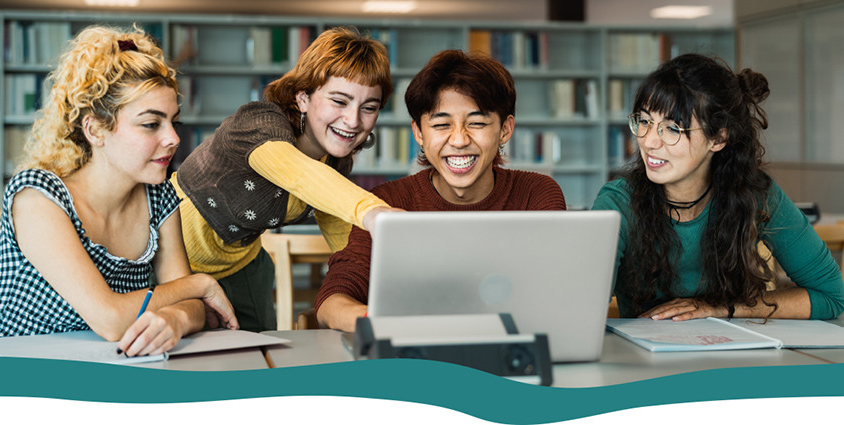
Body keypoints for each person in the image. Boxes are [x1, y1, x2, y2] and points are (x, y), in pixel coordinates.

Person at [0, 26, 238, 355]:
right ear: (96, 130)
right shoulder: (37, 196)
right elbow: (110, 320)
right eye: (151, 124)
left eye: (173, 122)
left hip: (113, 369)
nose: (173, 139)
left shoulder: (159, 196)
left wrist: (176, 319)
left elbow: (192, 303)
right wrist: (200, 283)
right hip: (27, 381)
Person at [314, 49, 567, 332]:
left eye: (477, 123)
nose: (459, 140)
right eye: (441, 124)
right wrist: (388, 325)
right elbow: (332, 302)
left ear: (505, 129)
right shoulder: (386, 201)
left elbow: (555, 296)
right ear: (419, 133)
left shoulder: (537, 193)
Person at [172, 27, 402, 332]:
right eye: (339, 101)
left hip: (241, 266)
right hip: (165, 256)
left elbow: (342, 236)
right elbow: (298, 173)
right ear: (303, 97)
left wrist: (393, 284)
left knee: (258, 357)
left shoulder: (334, 161)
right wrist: (374, 212)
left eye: (369, 107)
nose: (353, 120)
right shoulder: (258, 123)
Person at [592, 53, 844, 321]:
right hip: (646, 359)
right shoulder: (617, 203)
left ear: (718, 138)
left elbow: (832, 295)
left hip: (734, 353)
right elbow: (581, 306)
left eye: (672, 128)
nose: (649, 141)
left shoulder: (755, 194)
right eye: (644, 122)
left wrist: (722, 308)